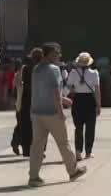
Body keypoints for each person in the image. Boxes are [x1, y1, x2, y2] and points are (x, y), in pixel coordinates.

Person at [28, 43, 87, 187]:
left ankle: (33, 177)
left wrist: (62, 99)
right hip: (52, 113)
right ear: (49, 54)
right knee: (63, 143)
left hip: (36, 113)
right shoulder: (54, 70)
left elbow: (41, 91)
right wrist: (61, 112)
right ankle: (72, 171)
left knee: (37, 145)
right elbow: (55, 93)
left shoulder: (36, 69)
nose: (59, 55)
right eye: (57, 53)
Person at [67, 52, 100, 159]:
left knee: (78, 128)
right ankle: (88, 152)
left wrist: (74, 90)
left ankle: (78, 151)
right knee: (90, 127)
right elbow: (97, 91)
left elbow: (69, 87)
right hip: (90, 100)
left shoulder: (73, 72)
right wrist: (98, 105)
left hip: (78, 100)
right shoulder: (94, 73)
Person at [12, 52, 39, 157]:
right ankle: (23, 146)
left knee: (22, 123)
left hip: (23, 100)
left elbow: (16, 85)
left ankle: (18, 143)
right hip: (28, 100)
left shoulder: (22, 71)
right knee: (26, 124)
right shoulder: (33, 70)